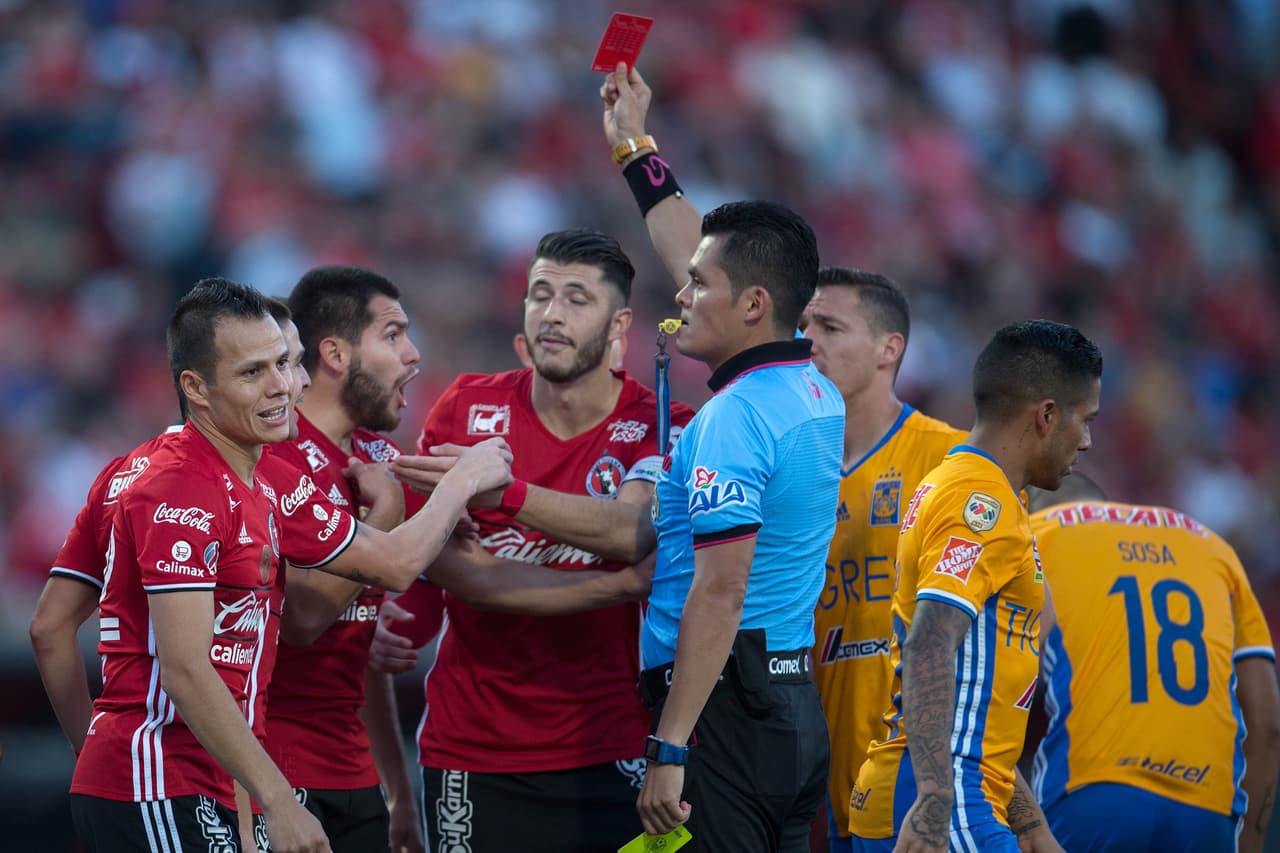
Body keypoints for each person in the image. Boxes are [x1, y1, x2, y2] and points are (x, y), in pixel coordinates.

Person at [597, 63, 971, 851]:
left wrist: (669, 746)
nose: (681, 295)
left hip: (742, 710)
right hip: (796, 705)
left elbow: (721, 591)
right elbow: (703, 258)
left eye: (699, 288)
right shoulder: (810, 389)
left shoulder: (744, 416)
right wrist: (637, 147)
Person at [66, 277, 513, 853]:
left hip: (318, 769)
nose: (287, 384)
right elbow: (274, 630)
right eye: (261, 369)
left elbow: (400, 595)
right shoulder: (239, 468)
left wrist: (396, 789)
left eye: (285, 362)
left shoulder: (344, 465)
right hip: (224, 771)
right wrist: (455, 484)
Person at [384, 228, 695, 852]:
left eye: (577, 298)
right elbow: (453, 571)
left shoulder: (661, 425)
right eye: (539, 294)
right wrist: (403, 625)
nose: (551, 313)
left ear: (620, 324)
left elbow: (634, 531)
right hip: (472, 751)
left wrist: (505, 493)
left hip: (615, 750)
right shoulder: (465, 410)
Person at [848, 319, 1101, 853]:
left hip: (945, 792)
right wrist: (937, 800)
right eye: (1084, 420)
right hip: (947, 801)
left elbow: (978, 701)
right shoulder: (978, 503)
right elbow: (932, 640)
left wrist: (1029, 825)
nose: (1087, 440)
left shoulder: (975, 490)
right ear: (1047, 415)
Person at [1026, 474, 1280, 853]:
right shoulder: (1213, 546)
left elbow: (979, 688)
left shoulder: (1032, 534)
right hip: (1208, 806)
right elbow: (1268, 724)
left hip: (1092, 795)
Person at [265, 266, 427, 853]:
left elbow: (362, 649)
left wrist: (399, 790)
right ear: (333, 353)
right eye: (392, 335)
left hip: (356, 770)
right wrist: (386, 516)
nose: (412, 355)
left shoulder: (378, 459)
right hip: (274, 767)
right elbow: (305, 618)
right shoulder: (276, 451)